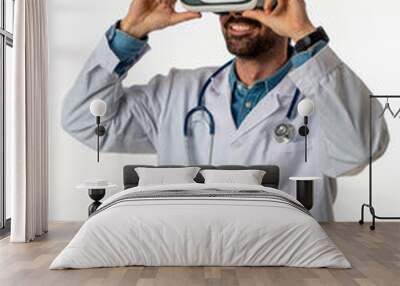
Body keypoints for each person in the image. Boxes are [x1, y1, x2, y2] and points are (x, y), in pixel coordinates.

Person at [62, 0, 389, 221]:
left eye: (248, 0)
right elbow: (83, 120)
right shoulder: (176, 92)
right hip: (192, 260)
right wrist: (129, 32)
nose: (236, 13)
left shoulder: (324, 94)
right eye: (226, 2)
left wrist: (305, 36)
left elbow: (360, 150)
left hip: (292, 268)